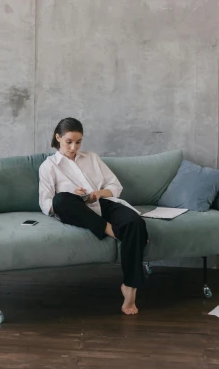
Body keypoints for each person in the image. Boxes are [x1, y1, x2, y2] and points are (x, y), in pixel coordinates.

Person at [38, 117, 148, 315]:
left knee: (135, 223)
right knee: (61, 199)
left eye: (78, 142)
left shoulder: (92, 158)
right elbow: (47, 204)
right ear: (58, 137)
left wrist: (97, 194)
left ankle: (130, 287)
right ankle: (112, 231)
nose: (74, 147)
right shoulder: (49, 166)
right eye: (69, 141)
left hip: (102, 203)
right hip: (74, 208)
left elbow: (115, 186)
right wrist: (75, 195)